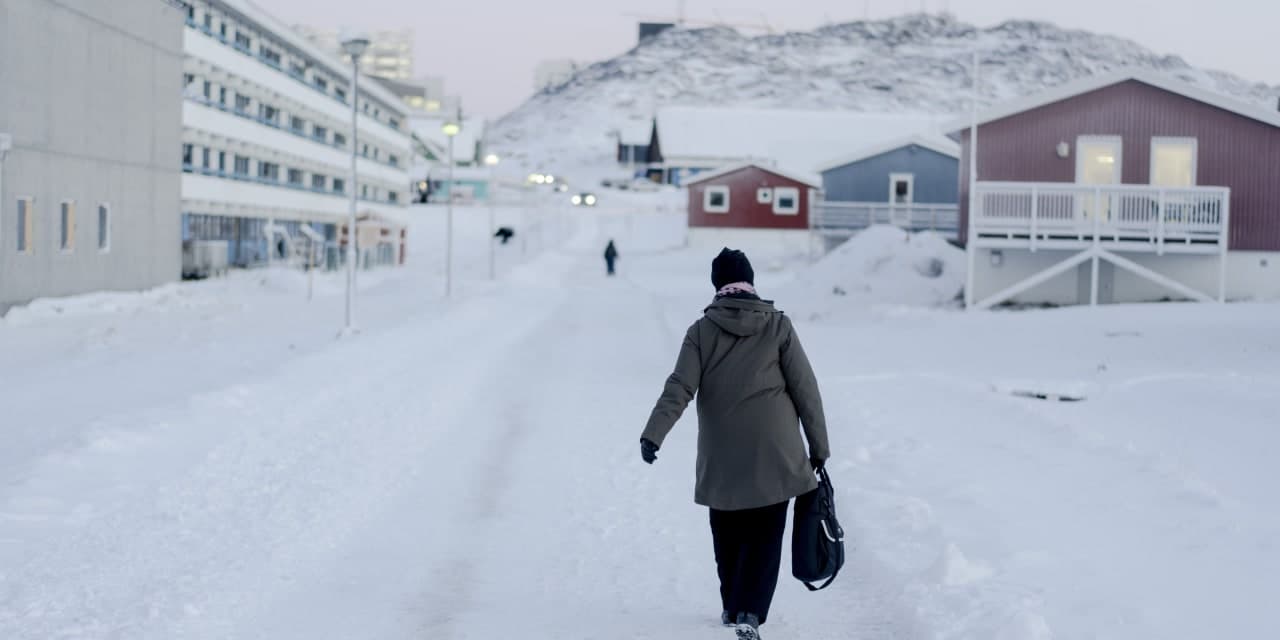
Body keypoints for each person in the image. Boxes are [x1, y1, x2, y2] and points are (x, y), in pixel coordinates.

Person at [640, 248, 829, 640]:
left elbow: (680, 388)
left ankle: (731, 605)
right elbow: (805, 389)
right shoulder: (778, 326)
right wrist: (818, 447)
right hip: (776, 451)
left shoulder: (701, 332)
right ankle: (751, 613)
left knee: (727, 531)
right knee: (765, 535)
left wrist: (653, 433)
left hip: (722, 454)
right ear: (751, 282)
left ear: (716, 285)